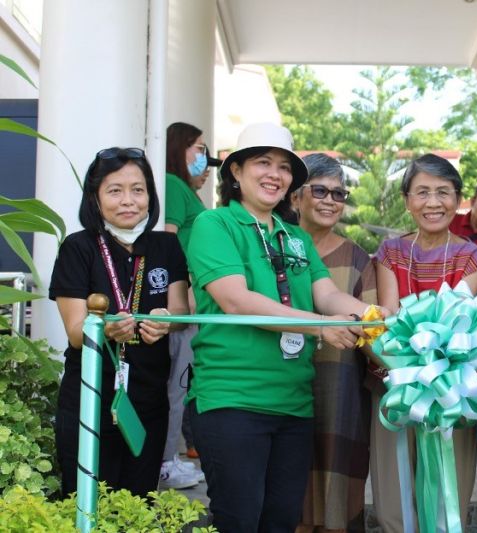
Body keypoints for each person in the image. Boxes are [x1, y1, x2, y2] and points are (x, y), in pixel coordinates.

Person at [186, 123, 378, 533]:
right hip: (231, 401)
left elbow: (328, 295)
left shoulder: (295, 238)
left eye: (284, 167)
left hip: (294, 406)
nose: (275, 174)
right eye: (262, 162)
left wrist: (378, 319)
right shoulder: (213, 225)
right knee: (239, 521)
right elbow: (236, 300)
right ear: (235, 171)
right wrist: (322, 328)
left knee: (283, 522)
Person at [50, 147, 189, 497]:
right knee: (85, 505)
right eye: (115, 190)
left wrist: (167, 320)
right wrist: (106, 329)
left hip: (148, 404)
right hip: (89, 402)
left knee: (138, 505)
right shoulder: (78, 247)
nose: (129, 200)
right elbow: (76, 332)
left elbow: (181, 311)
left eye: (138, 189)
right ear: (95, 199)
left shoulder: (167, 246)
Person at [373, 153, 477, 532]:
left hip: (453, 392)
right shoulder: (390, 252)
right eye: (422, 192)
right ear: (407, 200)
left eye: (443, 192)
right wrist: (405, 375)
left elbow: (457, 323)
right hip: (395, 386)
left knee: (447, 505)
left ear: (457, 199)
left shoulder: (472, 257)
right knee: (395, 504)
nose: (433, 203)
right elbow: (388, 316)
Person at [291, 153, 376, 532]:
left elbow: (373, 326)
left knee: (337, 500)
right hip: (280, 387)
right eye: (320, 190)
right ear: (296, 197)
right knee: (288, 492)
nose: (329, 200)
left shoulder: (358, 258)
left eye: (338, 194)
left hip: (340, 392)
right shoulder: (274, 247)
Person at [160, 121, 215, 489]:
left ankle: (168, 458)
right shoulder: (173, 185)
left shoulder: (183, 188)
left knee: (178, 386)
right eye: (197, 147)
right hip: (183, 303)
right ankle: (165, 461)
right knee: (174, 386)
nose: (204, 157)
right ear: (178, 148)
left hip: (188, 301)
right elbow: (167, 243)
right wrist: (186, 292)